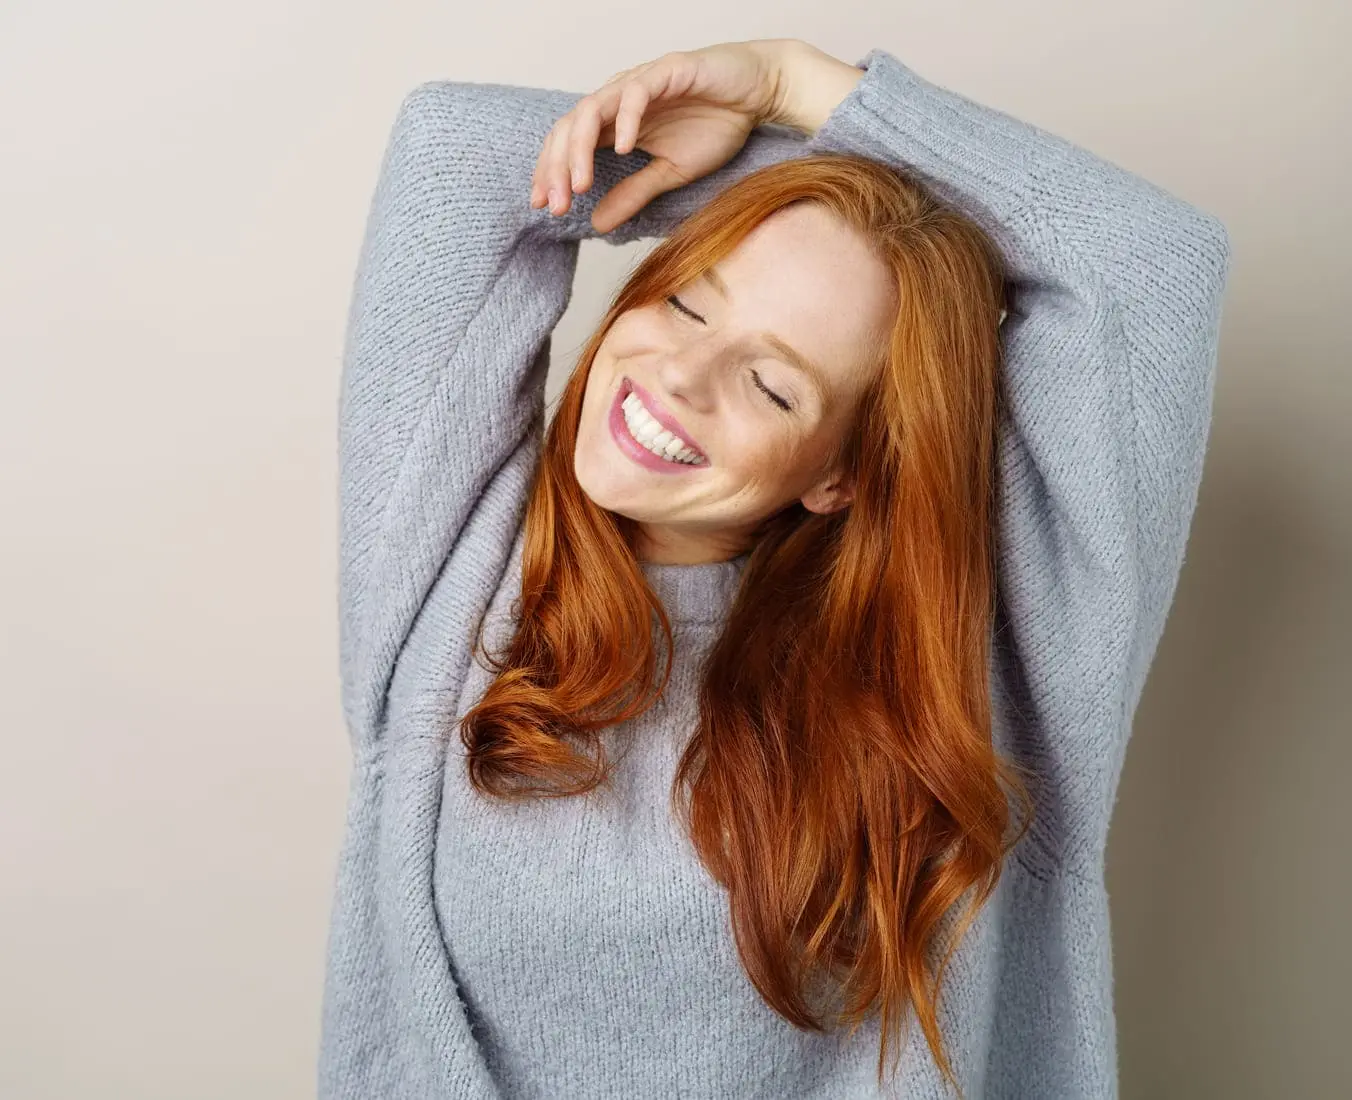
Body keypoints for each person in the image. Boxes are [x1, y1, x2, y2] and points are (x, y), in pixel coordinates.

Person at [320, 38, 1230, 1100]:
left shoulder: (965, 675)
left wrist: (793, 83)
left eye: (771, 384)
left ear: (840, 473)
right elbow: (454, 154)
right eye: (688, 300)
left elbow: (1149, 261)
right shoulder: (453, 568)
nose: (679, 374)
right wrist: (783, 178)